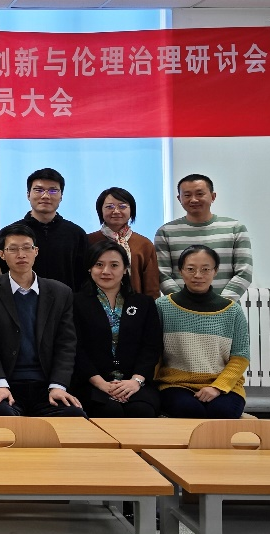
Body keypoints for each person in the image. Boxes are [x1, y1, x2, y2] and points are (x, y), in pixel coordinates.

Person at [0, 223, 85, 417]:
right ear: (2, 255)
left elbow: (66, 344)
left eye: (27, 248)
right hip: (6, 384)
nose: (21, 254)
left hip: (46, 386)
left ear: (36, 251)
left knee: (74, 416)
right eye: (13, 249)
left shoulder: (60, 292)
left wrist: (58, 386)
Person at [155, 245, 250, 419]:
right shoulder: (163, 306)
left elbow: (240, 357)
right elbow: (154, 352)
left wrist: (217, 387)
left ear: (215, 271)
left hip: (223, 385)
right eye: (191, 269)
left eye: (205, 269)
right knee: (190, 411)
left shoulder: (232, 311)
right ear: (181, 271)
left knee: (221, 413)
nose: (198, 275)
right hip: (175, 384)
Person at [72, 242, 162, 418]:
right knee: (108, 410)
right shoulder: (75, 302)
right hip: (91, 382)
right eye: (99, 265)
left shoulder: (144, 303)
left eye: (114, 265)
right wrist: (101, 384)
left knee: (141, 410)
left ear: (125, 269)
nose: (106, 271)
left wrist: (135, 381)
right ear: (90, 268)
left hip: (135, 382)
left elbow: (151, 347)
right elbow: (76, 349)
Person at [155, 173, 252, 301]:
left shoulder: (235, 228)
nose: (194, 200)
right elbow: (163, 274)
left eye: (200, 194)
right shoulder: (165, 232)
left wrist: (221, 304)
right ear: (179, 199)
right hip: (180, 308)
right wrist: (184, 304)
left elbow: (244, 272)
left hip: (226, 308)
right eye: (187, 195)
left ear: (213, 196)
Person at [0, 168, 88, 291]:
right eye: (38, 190)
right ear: (28, 194)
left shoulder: (76, 234)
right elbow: (0, 273)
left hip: (66, 301)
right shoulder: (9, 234)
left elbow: (84, 277)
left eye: (53, 190)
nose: (45, 196)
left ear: (61, 196)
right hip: (19, 300)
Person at [87, 186, 160, 299]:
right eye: (109, 207)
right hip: (93, 302)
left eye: (122, 206)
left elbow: (152, 285)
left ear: (131, 210)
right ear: (100, 210)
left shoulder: (144, 244)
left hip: (136, 304)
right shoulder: (89, 240)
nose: (116, 211)